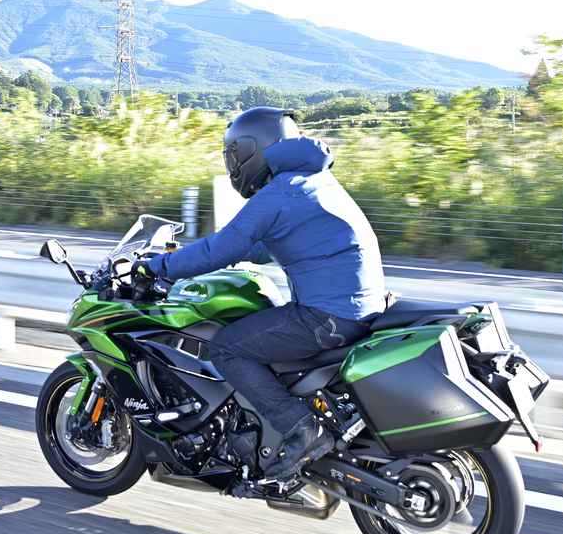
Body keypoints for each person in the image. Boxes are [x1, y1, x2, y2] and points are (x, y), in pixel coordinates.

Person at [135, 107, 385, 480]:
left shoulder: (280, 192)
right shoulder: (311, 179)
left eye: (234, 154)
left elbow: (220, 247)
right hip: (356, 308)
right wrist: (237, 256)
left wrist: (156, 267)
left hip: (328, 317)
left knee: (227, 348)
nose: (233, 164)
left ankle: (302, 429)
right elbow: (270, 244)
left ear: (253, 149)